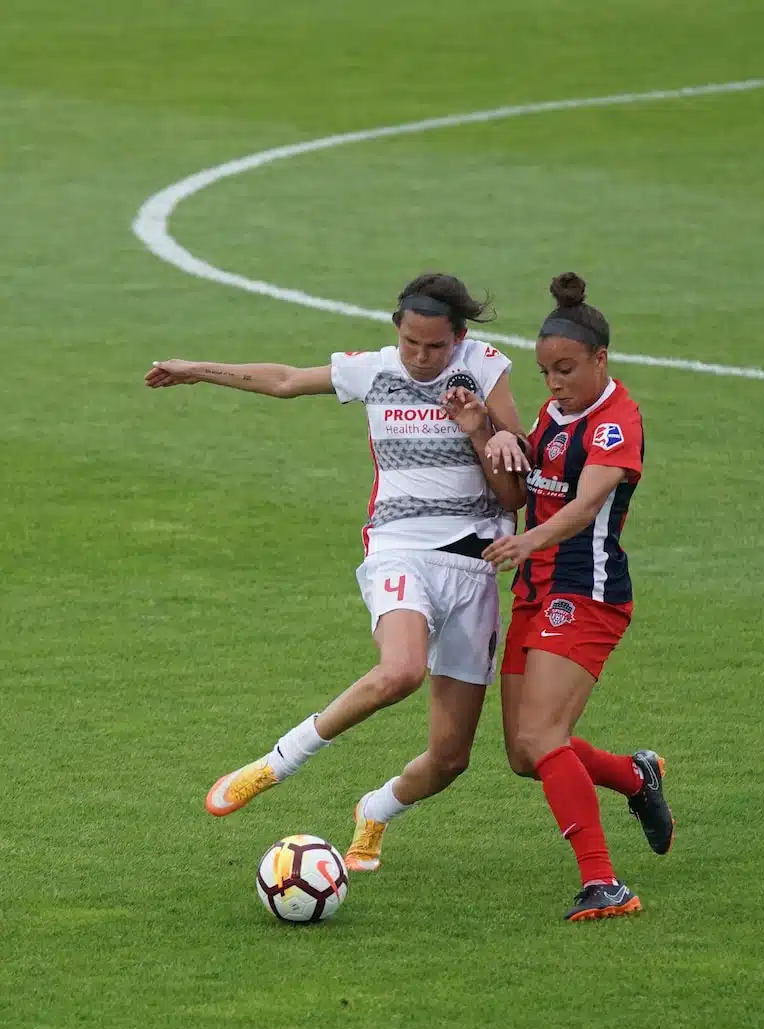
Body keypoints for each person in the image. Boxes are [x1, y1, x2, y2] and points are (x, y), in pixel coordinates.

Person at [144, 273, 529, 870]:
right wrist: (195, 368)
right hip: (399, 549)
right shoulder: (373, 369)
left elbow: (511, 498)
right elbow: (285, 381)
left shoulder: (485, 370)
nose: (421, 358)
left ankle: (374, 810)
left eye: (435, 347)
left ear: (458, 338)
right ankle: (275, 763)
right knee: (399, 671)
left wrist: (485, 433)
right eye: (410, 344)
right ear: (396, 333)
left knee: (450, 760)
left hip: (474, 567)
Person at [476, 272, 673, 922]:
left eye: (566, 369)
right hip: (535, 588)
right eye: (545, 371)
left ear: (600, 359)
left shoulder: (617, 422)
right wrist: (486, 429)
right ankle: (634, 776)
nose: (554, 382)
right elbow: (537, 476)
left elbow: (587, 506)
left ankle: (603, 883)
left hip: (583, 592)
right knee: (524, 754)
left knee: (544, 732)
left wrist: (528, 543)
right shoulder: (555, 413)